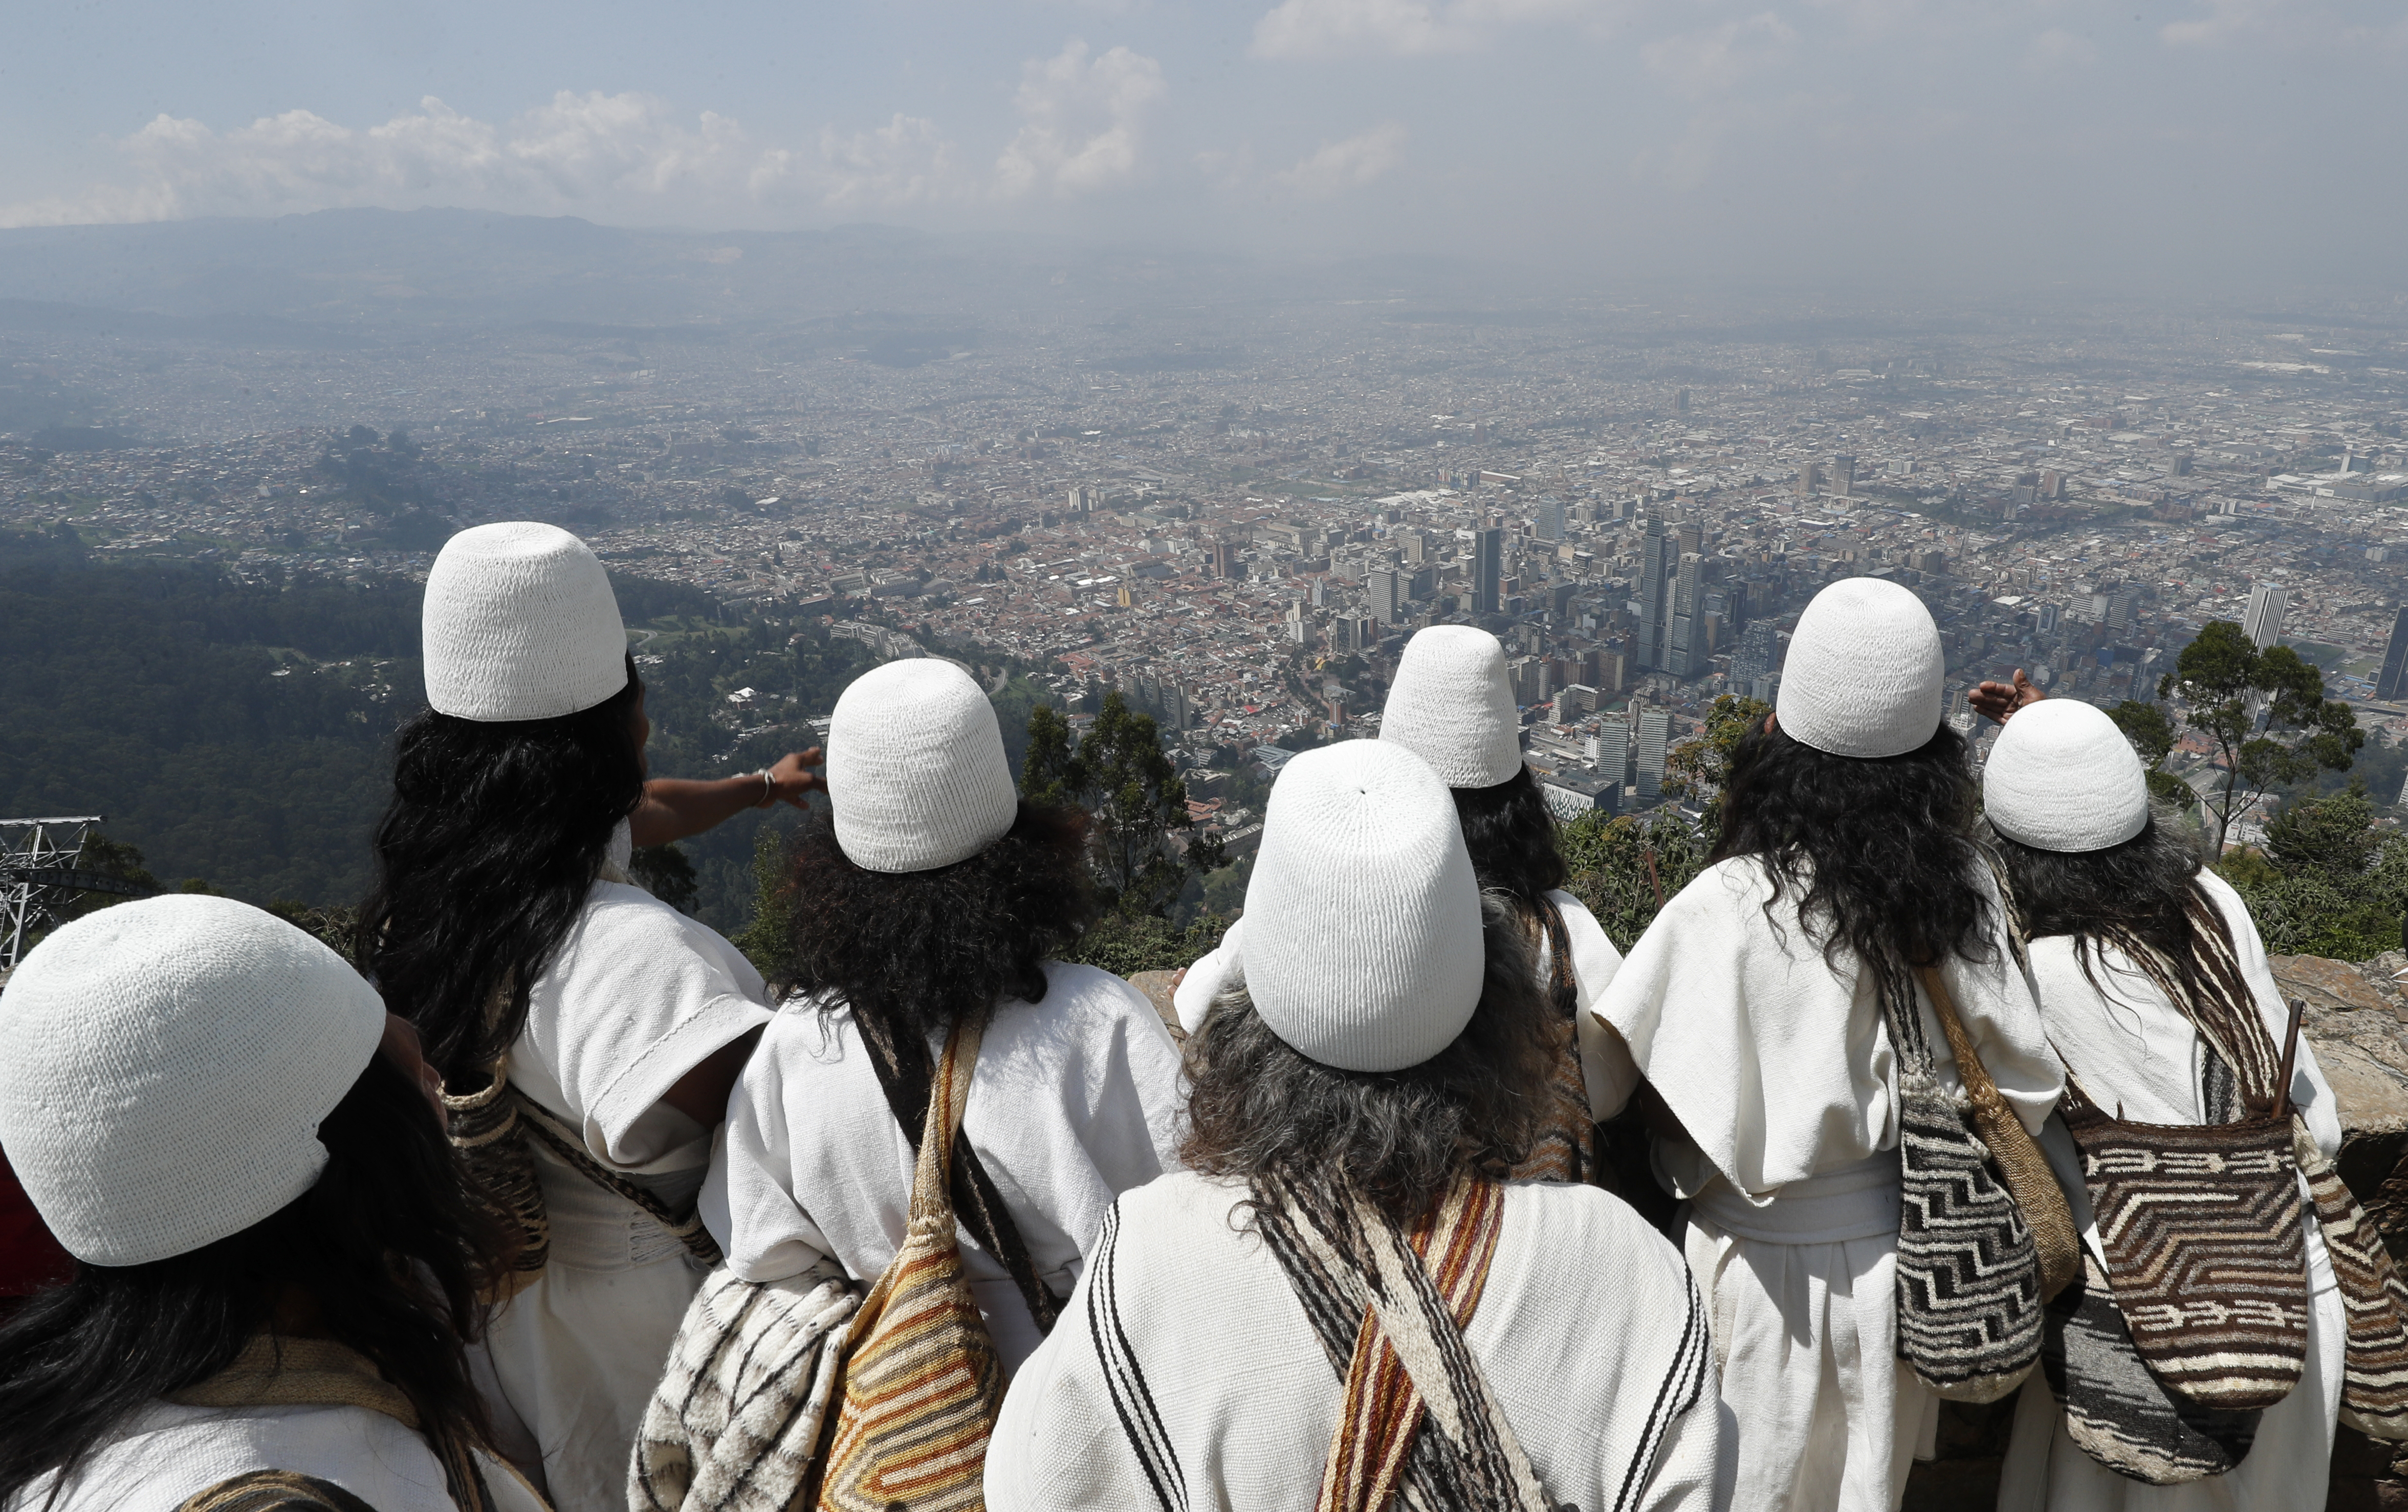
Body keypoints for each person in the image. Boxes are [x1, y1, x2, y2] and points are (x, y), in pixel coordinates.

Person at [986, 739, 1722, 1510]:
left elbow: (1036, 1481)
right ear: (1499, 998)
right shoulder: (1625, 1274)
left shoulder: (1147, 1264)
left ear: (1243, 1014)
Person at [359, 521, 811, 1512]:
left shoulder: (446, 897)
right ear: (625, 722)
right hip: (662, 1343)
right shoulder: (636, 964)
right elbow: (799, 1149)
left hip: (517, 1328)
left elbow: (641, 812)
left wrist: (760, 789)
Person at [1594, 577, 2062, 1511]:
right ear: (1933, 761)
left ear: (1774, 743)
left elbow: (1626, 1091)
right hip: (1909, 1274)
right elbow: (2025, 1087)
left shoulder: (1728, 906)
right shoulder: (1965, 892)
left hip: (1755, 1279)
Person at [705, 657, 1187, 1373]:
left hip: (895, 1408)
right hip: (1080, 1386)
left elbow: (760, 1250)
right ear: (1024, 846)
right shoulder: (1099, 1024)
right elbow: (1183, 1235)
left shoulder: (795, 1048)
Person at [0, 894, 543, 1512]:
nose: (434, 1085)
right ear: (366, 1157)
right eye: (403, 1072)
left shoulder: (67, 1439)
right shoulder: (317, 1478)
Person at [1982, 696, 2347, 1510]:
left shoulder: (2035, 967)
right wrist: (2066, 761)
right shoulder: (2211, 901)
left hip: (2144, 1325)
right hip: (2291, 1297)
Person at [1173, 624, 1625, 1177]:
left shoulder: (1325, 908)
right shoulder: (1567, 932)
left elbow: (1201, 1005)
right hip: (1521, 1203)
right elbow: (1611, 1086)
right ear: (1517, 795)